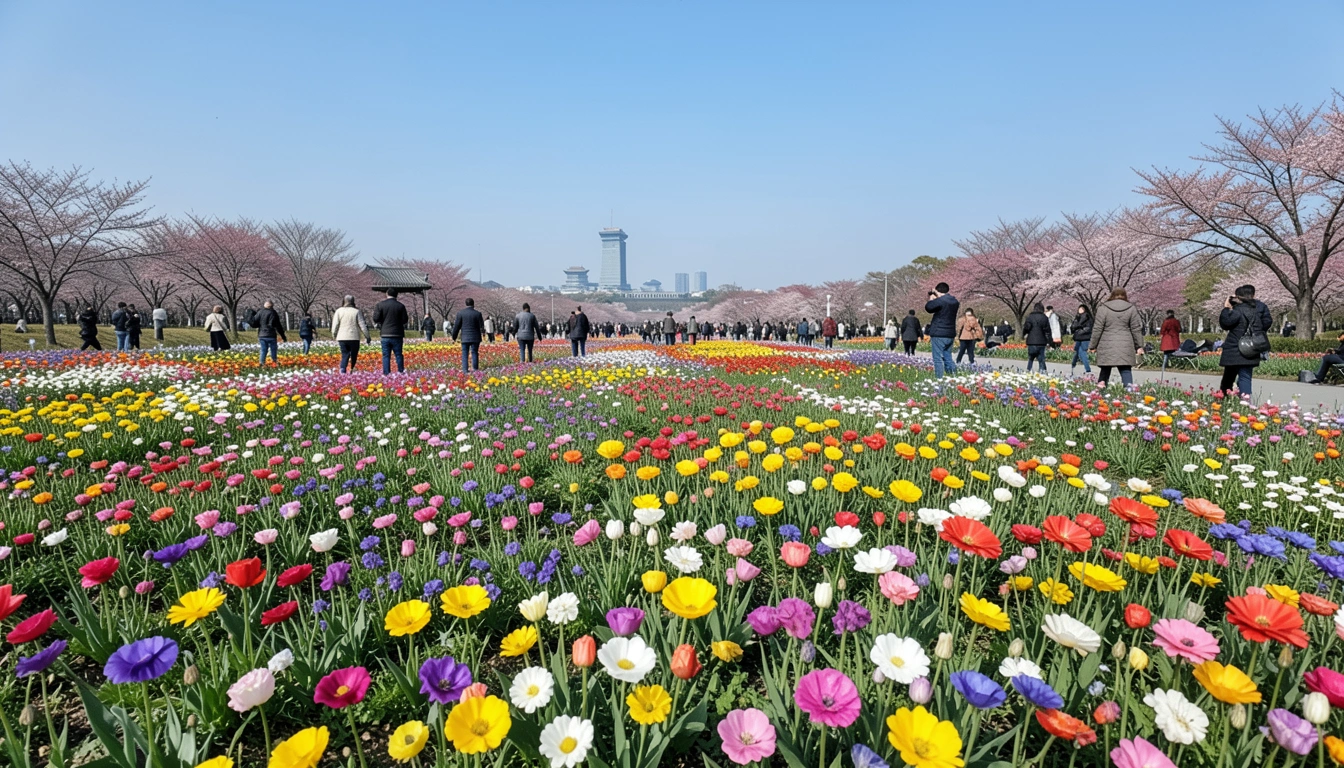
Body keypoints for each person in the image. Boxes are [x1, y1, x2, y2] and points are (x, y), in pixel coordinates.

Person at [1217, 284, 1272, 396]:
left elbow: (1225, 323)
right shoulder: (1257, 311)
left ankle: (1223, 401)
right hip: (1252, 348)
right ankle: (1246, 403)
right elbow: (1266, 323)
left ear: (1238, 297)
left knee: (1228, 378)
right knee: (1245, 377)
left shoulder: (1237, 311)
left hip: (1234, 348)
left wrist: (1227, 307)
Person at [1091, 288, 1145, 387]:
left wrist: (1093, 345)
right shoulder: (1131, 308)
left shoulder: (1103, 308)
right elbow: (1136, 329)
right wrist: (1139, 346)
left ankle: (1099, 395)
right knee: (1125, 370)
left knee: (1105, 369)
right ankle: (1129, 394)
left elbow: (1097, 328)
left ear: (1111, 295)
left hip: (1107, 343)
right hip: (1125, 343)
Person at [924, 282, 960, 377]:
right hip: (950, 333)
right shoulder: (954, 301)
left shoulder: (941, 301)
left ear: (937, 290)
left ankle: (939, 379)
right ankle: (953, 376)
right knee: (948, 357)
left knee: (938, 358)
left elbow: (929, 308)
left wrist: (931, 299)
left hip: (939, 333)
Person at [371, 289, 409, 375]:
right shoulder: (401, 306)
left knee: (386, 355)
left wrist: (382, 321)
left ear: (386, 294)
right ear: (397, 295)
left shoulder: (380, 305)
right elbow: (405, 320)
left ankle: (386, 373)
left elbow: (376, 319)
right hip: (397, 333)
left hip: (385, 334)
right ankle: (400, 371)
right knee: (398, 354)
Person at [331, 295, 370, 372]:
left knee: (345, 354)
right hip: (354, 337)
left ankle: (342, 370)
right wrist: (367, 336)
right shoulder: (356, 311)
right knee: (354, 355)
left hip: (342, 337)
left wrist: (334, 335)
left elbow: (335, 325)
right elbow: (362, 325)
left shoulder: (339, 311)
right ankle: (352, 369)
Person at [451, 297, 485, 372]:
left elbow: (456, 326)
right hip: (475, 337)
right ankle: (475, 369)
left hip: (465, 337)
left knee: (465, 353)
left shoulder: (460, 313)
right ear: (473, 304)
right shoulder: (478, 314)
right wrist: (483, 334)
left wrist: (454, 337)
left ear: (466, 304)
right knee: (474, 352)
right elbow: (481, 326)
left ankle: (465, 370)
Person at [255, 301, 285, 365]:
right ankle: (274, 361)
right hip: (271, 334)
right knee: (273, 349)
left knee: (263, 349)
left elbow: (255, 322)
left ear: (264, 306)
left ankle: (262, 362)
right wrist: (283, 335)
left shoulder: (260, 312)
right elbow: (278, 325)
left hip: (262, 334)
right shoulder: (273, 313)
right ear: (272, 306)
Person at [1023, 303, 1050, 372]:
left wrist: (1024, 334)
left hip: (1031, 341)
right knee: (1041, 359)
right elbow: (1047, 331)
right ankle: (1043, 372)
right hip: (1041, 341)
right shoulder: (1044, 318)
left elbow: (1026, 328)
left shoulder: (1030, 317)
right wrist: (1049, 341)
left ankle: (1028, 371)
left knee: (1031, 358)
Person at [1070, 305, 1092, 374]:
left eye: (1081, 309)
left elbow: (1088, 328)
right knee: (1077, 351)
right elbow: (1072, 326)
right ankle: (1073, 365)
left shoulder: (1088, 317)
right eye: (1079, 308)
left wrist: (1079, 332)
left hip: (1084, 337)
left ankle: (1087, 368)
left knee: (1082, 352)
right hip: (1078, 337)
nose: (1080, 310)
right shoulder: (1077, 317)